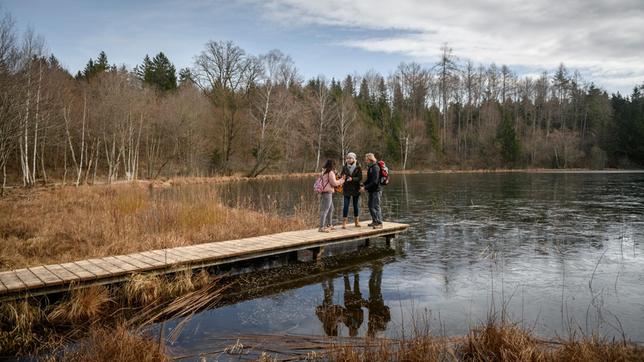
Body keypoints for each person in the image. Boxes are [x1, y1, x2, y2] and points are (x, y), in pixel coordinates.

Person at [318, 159, 345, 232]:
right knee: (325, 210)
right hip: (327, 192)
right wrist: (342, 180)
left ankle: (329, 225)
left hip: (325, 192)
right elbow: (334, 183)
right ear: (332, 165)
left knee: (331, 208)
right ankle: (321, 227)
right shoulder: (330, 172)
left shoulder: (324, 171)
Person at [340, 152, 362, 229]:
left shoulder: (358, 167)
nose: (349, 160)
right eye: (348, 158)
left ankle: (357, 222)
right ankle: (344, 223)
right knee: (345, 205)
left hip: (355, 188)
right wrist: (343, 177)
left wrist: (352, 179)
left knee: (356, 206)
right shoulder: (344, 167)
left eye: (350, 158)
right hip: (346, 188)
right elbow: (341, 176)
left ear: (354, 159)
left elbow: (360, 178)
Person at [361, 153, 383, 229]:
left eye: (366, 159)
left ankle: (379, 222)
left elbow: (375, 181)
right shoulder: (371, 167)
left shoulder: (375, 168)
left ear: (370, 159)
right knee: (370, 206)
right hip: (371, 190)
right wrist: (363, 184)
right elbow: (369, 180)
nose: (365, 160)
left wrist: (365, 188)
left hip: (376, 191)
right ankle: (375, 221)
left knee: (376, 206)